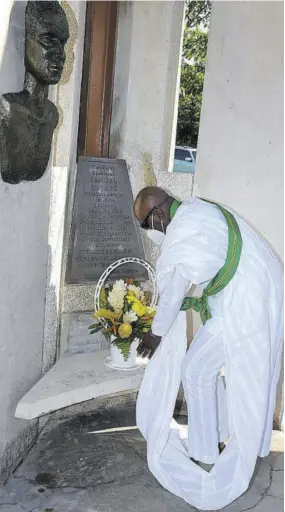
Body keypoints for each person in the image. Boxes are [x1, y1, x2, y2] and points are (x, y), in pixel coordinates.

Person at [133, 186, 283, 510]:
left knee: (196, 370)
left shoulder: (188, 225)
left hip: (246, 304)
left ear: (158, 214)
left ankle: (205, 456)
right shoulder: (197, 211)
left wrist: (155, 335)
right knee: (201, 369)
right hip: (247, 294)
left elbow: (175, 289)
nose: (150, 232)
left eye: (147, 225)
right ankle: (214, 437)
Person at [0, 1, 69, 184]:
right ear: (26, 42)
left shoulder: (51, 114)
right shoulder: (9, 109)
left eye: (63, 44)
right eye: (48, 40)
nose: (61, 54)